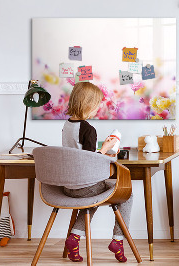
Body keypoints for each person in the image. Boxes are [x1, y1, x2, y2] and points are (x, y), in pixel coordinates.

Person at [62, 82, 132, 263]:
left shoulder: (67, 125)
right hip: (85, 186)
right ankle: (118, 240)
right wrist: (107, 148)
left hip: (68, 186)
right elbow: (90, 161)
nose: (99, 108)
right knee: (127, 194)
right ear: (88, 104)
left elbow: (79, 154)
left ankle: (74, 238)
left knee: (92, 197)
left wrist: (101, 150)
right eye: (97, 104)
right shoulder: (88, 129)